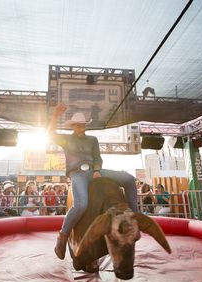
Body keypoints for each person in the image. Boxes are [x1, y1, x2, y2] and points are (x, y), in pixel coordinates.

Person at [47, 103, 138, 260]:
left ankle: (135, 217)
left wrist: (96, 170)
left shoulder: (92, 140)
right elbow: (50, 134)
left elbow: (97, 158)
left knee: (129, 179)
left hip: (94, 171)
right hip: (78, 174)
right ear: (73, 126)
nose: (81, 127)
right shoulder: (66, 140)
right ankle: (62, 238)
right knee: (81, 204)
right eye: (78, 125)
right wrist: (55, 115)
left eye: (83, 124)